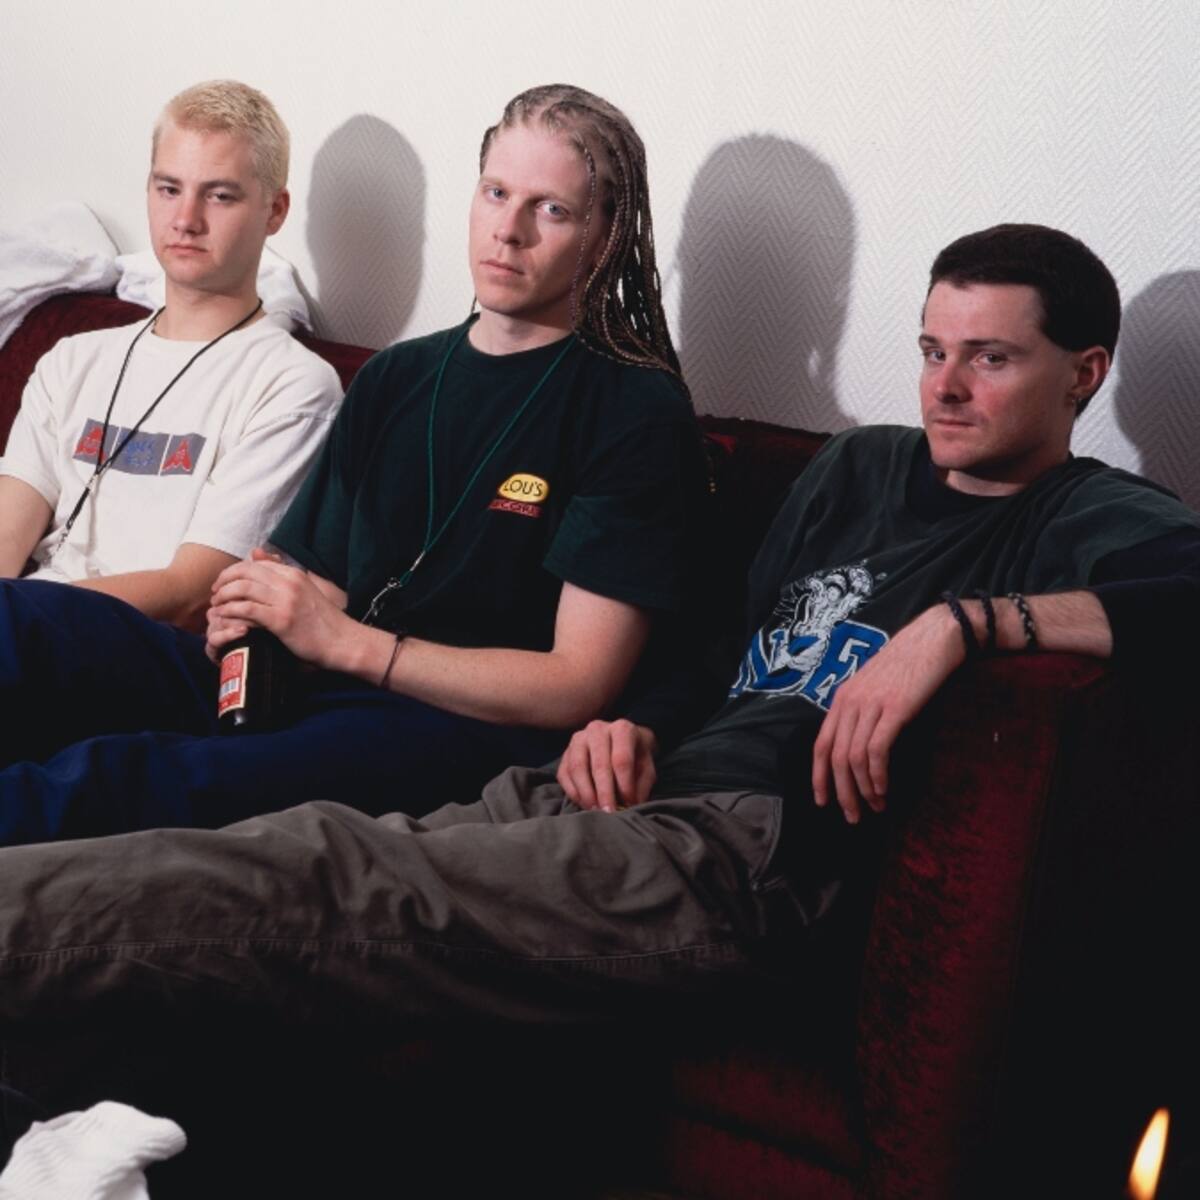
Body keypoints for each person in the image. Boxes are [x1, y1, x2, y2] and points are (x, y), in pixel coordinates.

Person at [3, 226, 1197, 1175]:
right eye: (934, 350)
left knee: (328, 878)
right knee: (301, 868)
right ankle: (71, 1130)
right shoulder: (863, 465)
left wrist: (967, 624)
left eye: (991, 359)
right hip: (624, 788)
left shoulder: (1090, 516)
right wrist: (635, 726)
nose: (946, 387)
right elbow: (720, 643)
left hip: (752, 855)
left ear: (1083, 375)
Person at [0, 84, 707, 844]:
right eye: (496, 193)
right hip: (312, 679)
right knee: (24, 621)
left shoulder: (632, 407)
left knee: (120, 779)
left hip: (448, 723)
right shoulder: (397, 375)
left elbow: (576, 682)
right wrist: (257, 610)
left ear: (604, 238)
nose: (508, 230)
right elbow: (319, 581)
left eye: (552, 209)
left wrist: (346, 644)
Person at [0, 79, 341, 631]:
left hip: (139, 645)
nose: (185, 219)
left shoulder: (292, 385)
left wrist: (26, 615)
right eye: (168, 188)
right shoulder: (71, 360)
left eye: (220, 195)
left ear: (274, 211)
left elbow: (192, 592)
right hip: (26, 628)